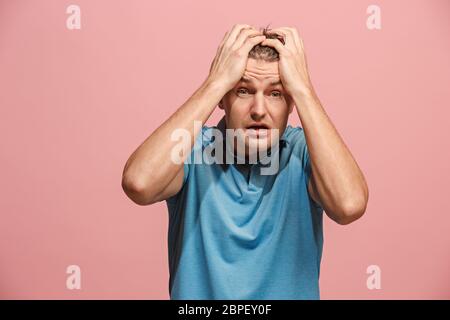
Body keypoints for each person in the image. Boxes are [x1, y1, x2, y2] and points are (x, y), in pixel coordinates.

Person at [121, 24, 369, 299]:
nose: (259, 111)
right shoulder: (194, 148)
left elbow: (349, 205)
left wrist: (304, 90)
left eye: (276, 94)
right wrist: (214, 83)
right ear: (223, 99)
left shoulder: (303, 151)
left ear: (291, 102)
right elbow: (138, 184)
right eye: (243, 91)